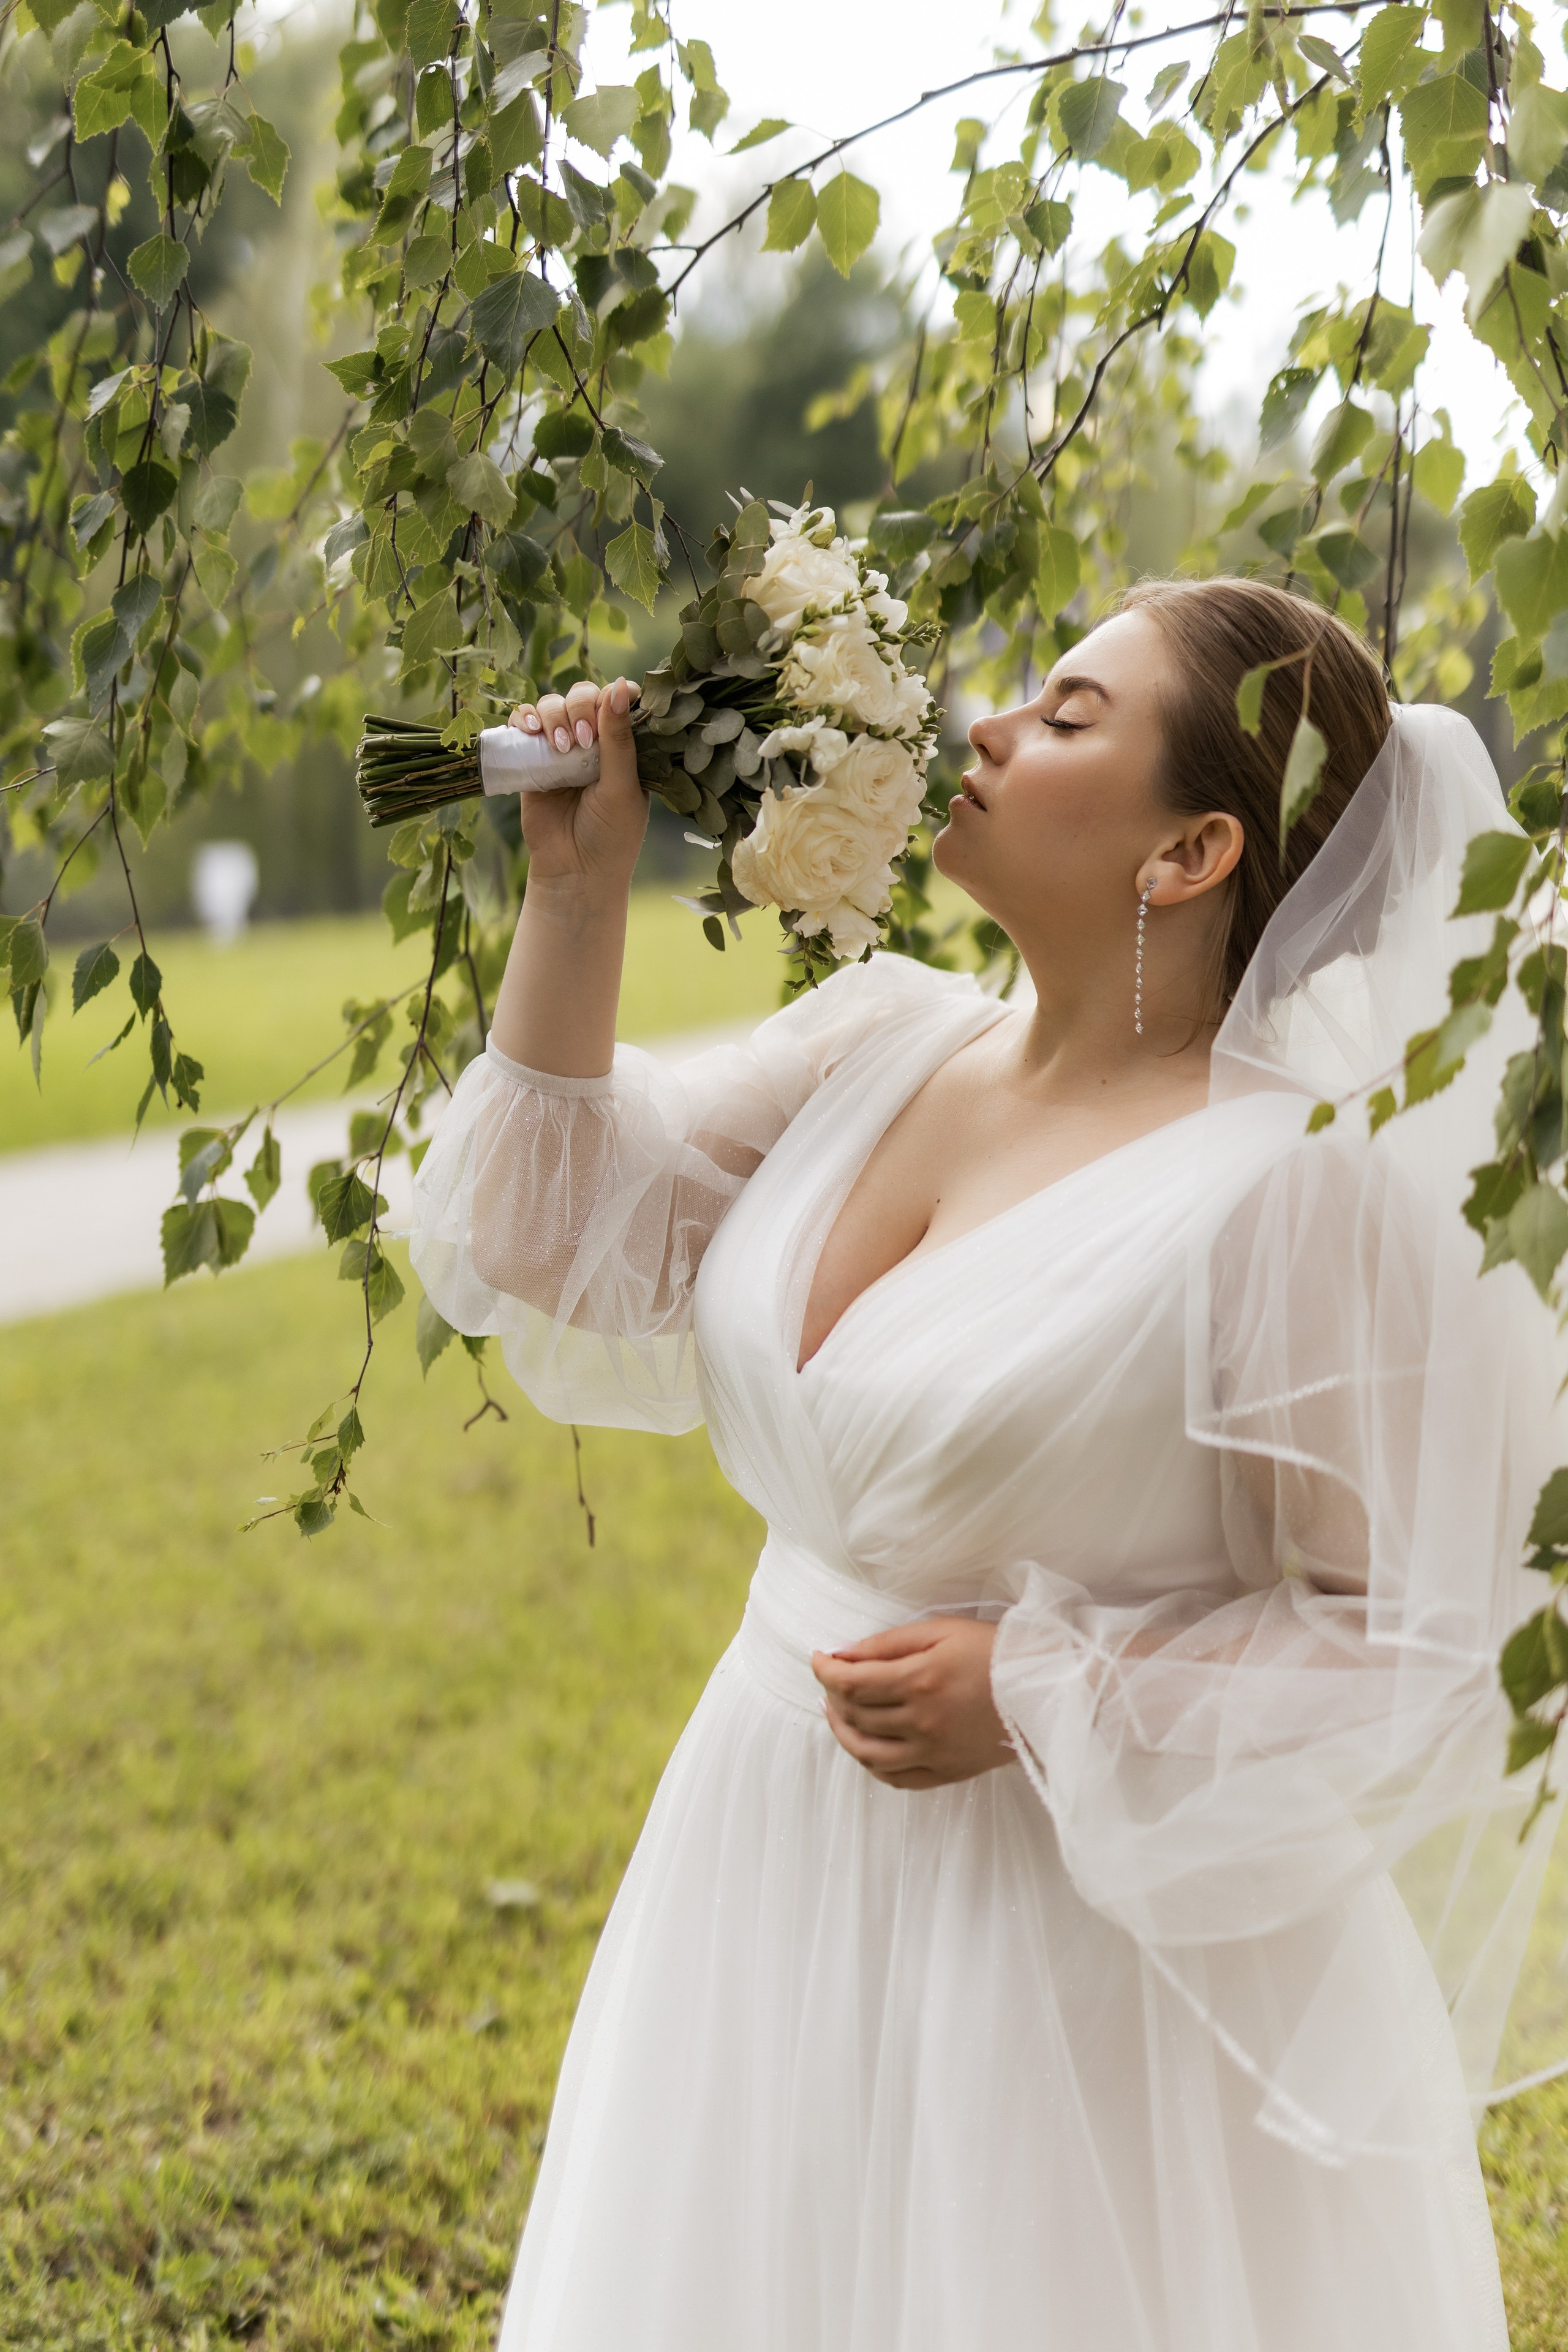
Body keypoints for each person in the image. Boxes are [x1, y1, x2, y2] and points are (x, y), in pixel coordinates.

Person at [410, 576, 1566, 2352]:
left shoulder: (1288, 1194)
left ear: (1184, 854)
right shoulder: (886, 1039)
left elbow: (1416, 1639)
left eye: (1068, 718)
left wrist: (1039, 1683)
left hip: (1072, 1961)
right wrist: (574, 894)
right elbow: (543, 1231)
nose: (986, 727)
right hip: (764, 1847)